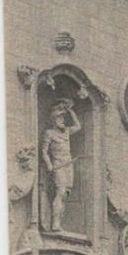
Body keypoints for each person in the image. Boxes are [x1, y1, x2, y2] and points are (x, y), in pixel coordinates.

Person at [41, 99, 81, 232]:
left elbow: (78, 126)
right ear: (54, 119)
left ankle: (59, 223)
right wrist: (49, 165)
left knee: (65, 195)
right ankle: (55, 223)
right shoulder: (49, 133)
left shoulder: (66, 132)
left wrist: (70, 111)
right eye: (59, 117)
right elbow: (44, 151)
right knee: (60, 192)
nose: (62, 119)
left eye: (63, 117)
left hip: (68, 165)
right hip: (58, 165)